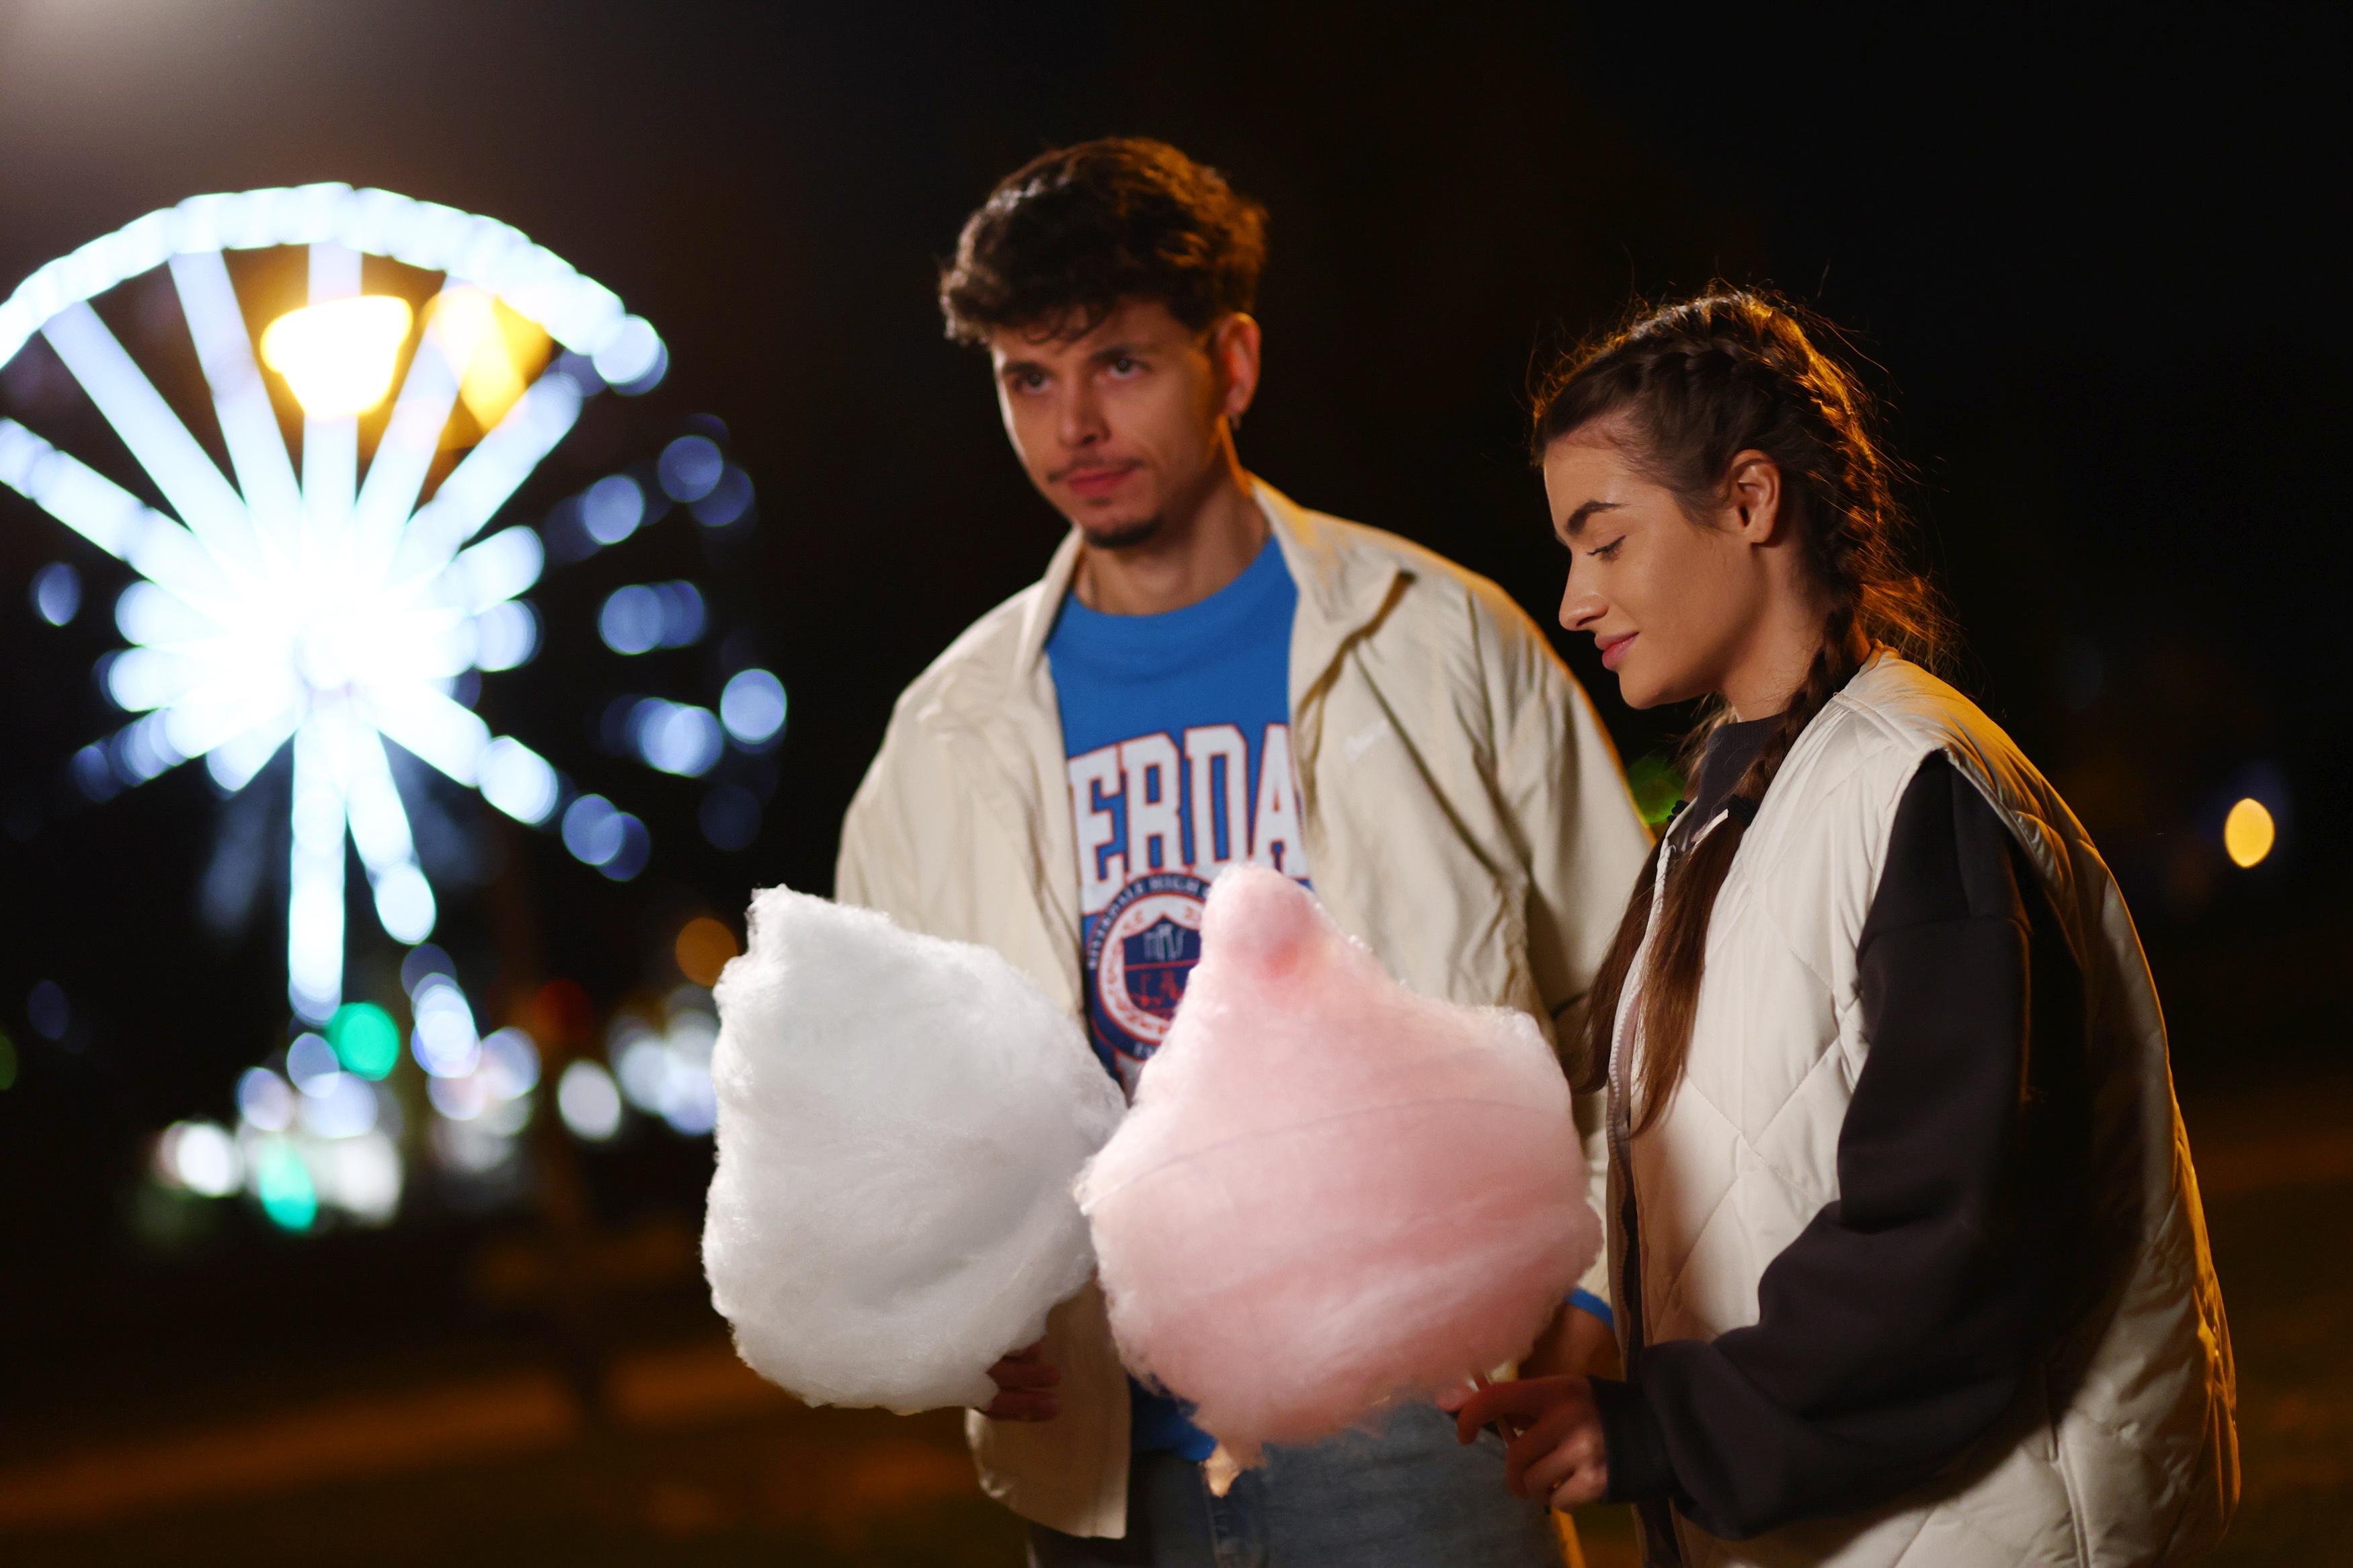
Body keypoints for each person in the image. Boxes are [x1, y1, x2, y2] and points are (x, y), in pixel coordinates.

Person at [834, 136, 1652, 1565]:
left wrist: (1587, 1293)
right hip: (1101, 1447)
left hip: (1421, 1410)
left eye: (1120, 364)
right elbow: (868, 1093)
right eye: (1028, 378)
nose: (1075, 424)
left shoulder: (1435, 642)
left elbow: (1641, 1000)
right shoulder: (948, 735)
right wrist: (937, 1309)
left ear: (1233, 361)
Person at [1448, 291, 2240, 1566]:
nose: (1576, 599)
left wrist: (1660, 1427)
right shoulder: (1725, 821)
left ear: (1750, 499)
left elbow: (1943, 1251)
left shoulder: (1915, 788)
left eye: (1607, 542)